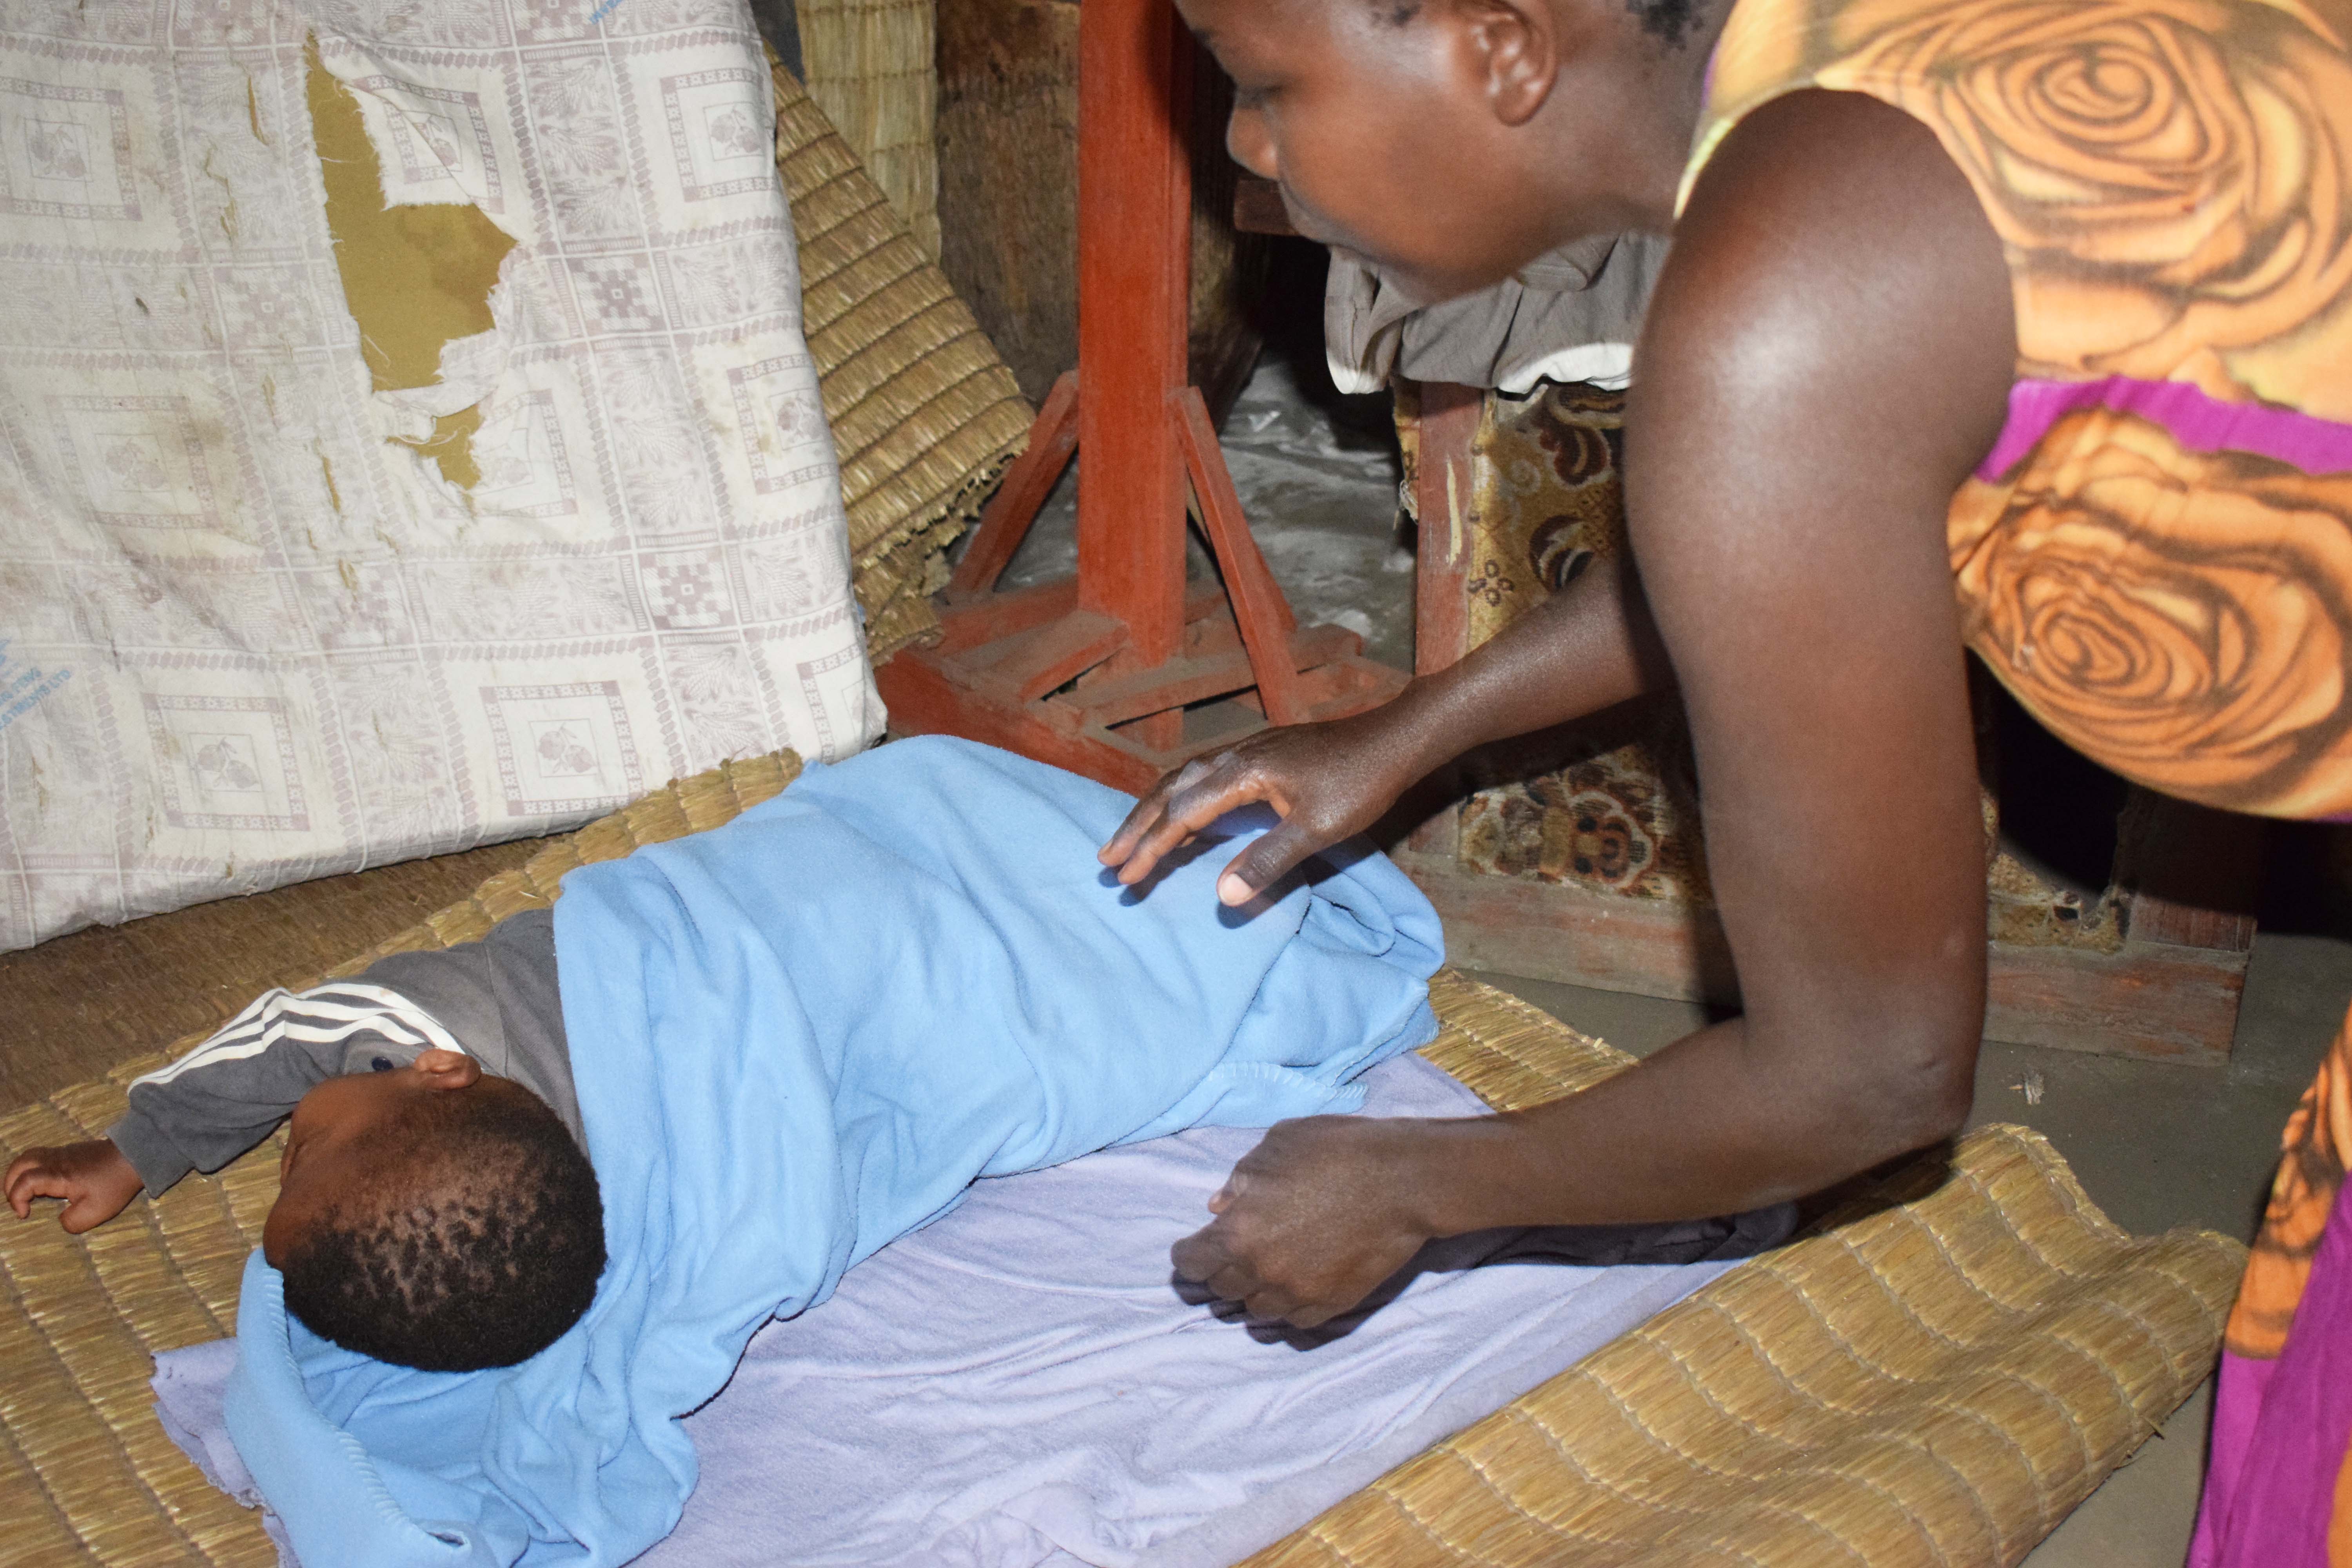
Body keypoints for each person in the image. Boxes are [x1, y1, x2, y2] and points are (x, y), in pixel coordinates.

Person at [1096, 0, 2352, 1556]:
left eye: (1262, 86)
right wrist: (1415, 732)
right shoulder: (1849, 127)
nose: (1245, 155)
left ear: (1502, 48)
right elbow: (1787, 545)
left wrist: (1426, 1186)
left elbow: (1873, 1067)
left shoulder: (1791, 301)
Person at [4, 910, 609, 1372]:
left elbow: (288, 1038)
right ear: (439, 1074)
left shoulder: (410, 1026)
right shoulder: (424, 1029)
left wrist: (137, 1145)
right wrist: (142, 1142)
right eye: (307, 1157)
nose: (284, 1160)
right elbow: (283, 1037)